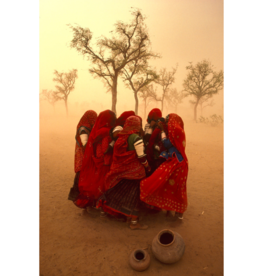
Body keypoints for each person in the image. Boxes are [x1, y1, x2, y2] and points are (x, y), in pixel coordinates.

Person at [98, 116, 151, 230]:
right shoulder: (136, 138)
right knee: (134, 197)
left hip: (121, 172)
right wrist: (147, 166)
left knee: (119, 193)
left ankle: (106, 212)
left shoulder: (121, 138)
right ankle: (133, 222)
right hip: (135, 173)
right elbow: (141, 157)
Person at [140, 113, 188, 220]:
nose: (165, 123)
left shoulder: (174, 129)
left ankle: (177, 212)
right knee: (173, 186)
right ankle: (174, 212)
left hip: (176, 162)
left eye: (167, 121)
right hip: (176, 161)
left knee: (174, 186)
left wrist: (162, 130)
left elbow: (166, 143)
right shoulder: (178, 129)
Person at [73, 110, 116, 210]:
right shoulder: (84, 129)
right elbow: (85, 144)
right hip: (85, 156)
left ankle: (89, 202)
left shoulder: (94, 129)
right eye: (93, 117)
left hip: (90, 156)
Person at [68, 110, 97, 201]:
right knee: (81, 176)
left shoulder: (87, 127)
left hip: (84, 155)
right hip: (83, 156)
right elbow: (85, 145)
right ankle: (79, 198)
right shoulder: (83, 130)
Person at [144, 108, 167, 174]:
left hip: (157, 150)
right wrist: (151, 126)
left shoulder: (161, 123)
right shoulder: (148, 125)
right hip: (152, 150)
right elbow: (147, 138)